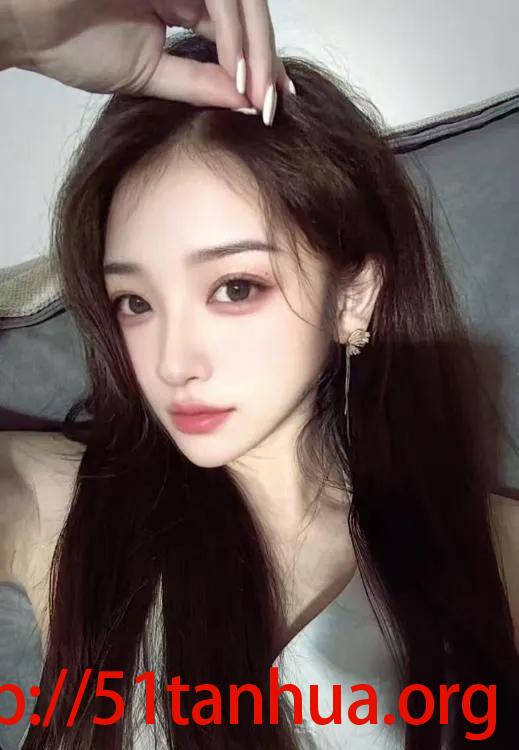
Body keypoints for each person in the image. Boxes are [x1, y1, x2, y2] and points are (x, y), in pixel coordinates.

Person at [0, 1, 518, 749]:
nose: (174, 362)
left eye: (234, 288)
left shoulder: (490, 550)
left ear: (354, 296)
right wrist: (13, 30)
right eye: (135, 302)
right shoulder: (64, 508)